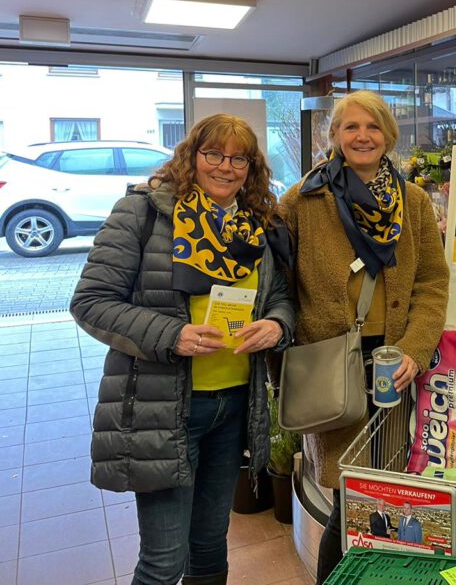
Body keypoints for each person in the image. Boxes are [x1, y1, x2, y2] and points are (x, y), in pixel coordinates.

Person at [70, 114, 295, 585]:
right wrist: (171, 335)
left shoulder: (255, 225)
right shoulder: (144, 213)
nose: (225, 167)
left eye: (239, 159)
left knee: (210, 548)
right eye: (214, 154)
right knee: (163, 561)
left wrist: (277, 324)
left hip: (233, 406)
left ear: (251, 169)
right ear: (191, 156)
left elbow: (278, 296)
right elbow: (91, 302)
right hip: (164, 407)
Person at [279, 90, 448, 584]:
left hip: (395, 363)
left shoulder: (413, 202)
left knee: (386, 490)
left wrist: (416, 348)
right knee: (349, 496)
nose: (362, 136)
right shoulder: (304, 199)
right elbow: (276, 279)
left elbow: (432, 283)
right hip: (333, 364)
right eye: (351, 126)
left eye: (373, 127)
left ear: (388, 136)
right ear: (334, 135)